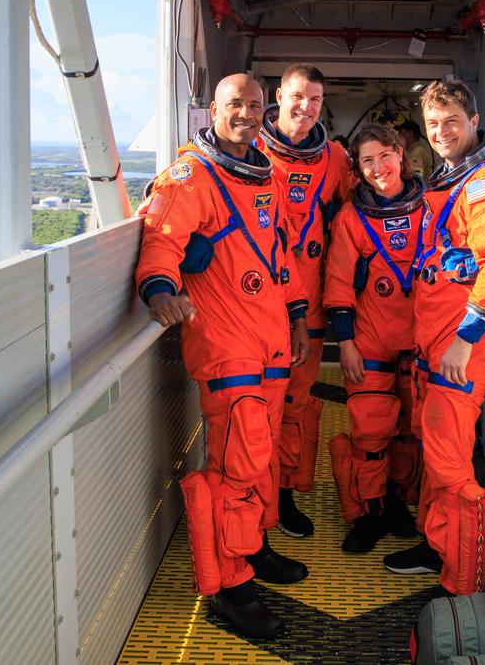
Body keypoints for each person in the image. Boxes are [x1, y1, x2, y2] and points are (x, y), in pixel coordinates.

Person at [134, 73, 312, 639]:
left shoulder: (262, 172)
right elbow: (160, 237)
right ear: (213, 109)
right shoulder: (193, 175)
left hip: (269, 336)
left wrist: (296, 317)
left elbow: (277, 249)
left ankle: (253, 548)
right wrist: (160, 287)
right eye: (234, 104)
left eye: (255, 105)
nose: (246, 113)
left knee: (261, 459)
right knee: (237, 465)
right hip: (226, 342)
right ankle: (230, 587)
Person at [382, 78, 485, 596]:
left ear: (473, 120)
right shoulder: (454, 178)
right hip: (437, 343)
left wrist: (465, 341)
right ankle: (437, 544)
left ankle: (461, 581)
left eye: (451, 122)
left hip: (462, 347)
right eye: (433, 124)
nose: (442, 132)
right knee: (437, 454)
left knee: (449, 464)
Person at [255, 63, 353, 538]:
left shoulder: (334, 159)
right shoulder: (247, 148)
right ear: (279, 95)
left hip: (308, 310)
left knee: (295, 406)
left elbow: (362, 211)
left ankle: (285, 494)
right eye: (297, 96)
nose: (305, 107)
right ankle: (252, 498)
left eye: (315, 100)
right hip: (255, 308)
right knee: (254, 409)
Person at [323, 124, 423, 553]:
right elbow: (339, 284)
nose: (378, 167)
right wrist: (345, 343)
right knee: (370, 436)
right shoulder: (352, 219)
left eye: (385, 155)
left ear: (400, 154)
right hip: (370, 342)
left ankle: (397, 500)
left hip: (420, 342)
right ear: (358, 170)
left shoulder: (432, 209)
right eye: (367, 161)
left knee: (409, 433)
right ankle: (371, 510)